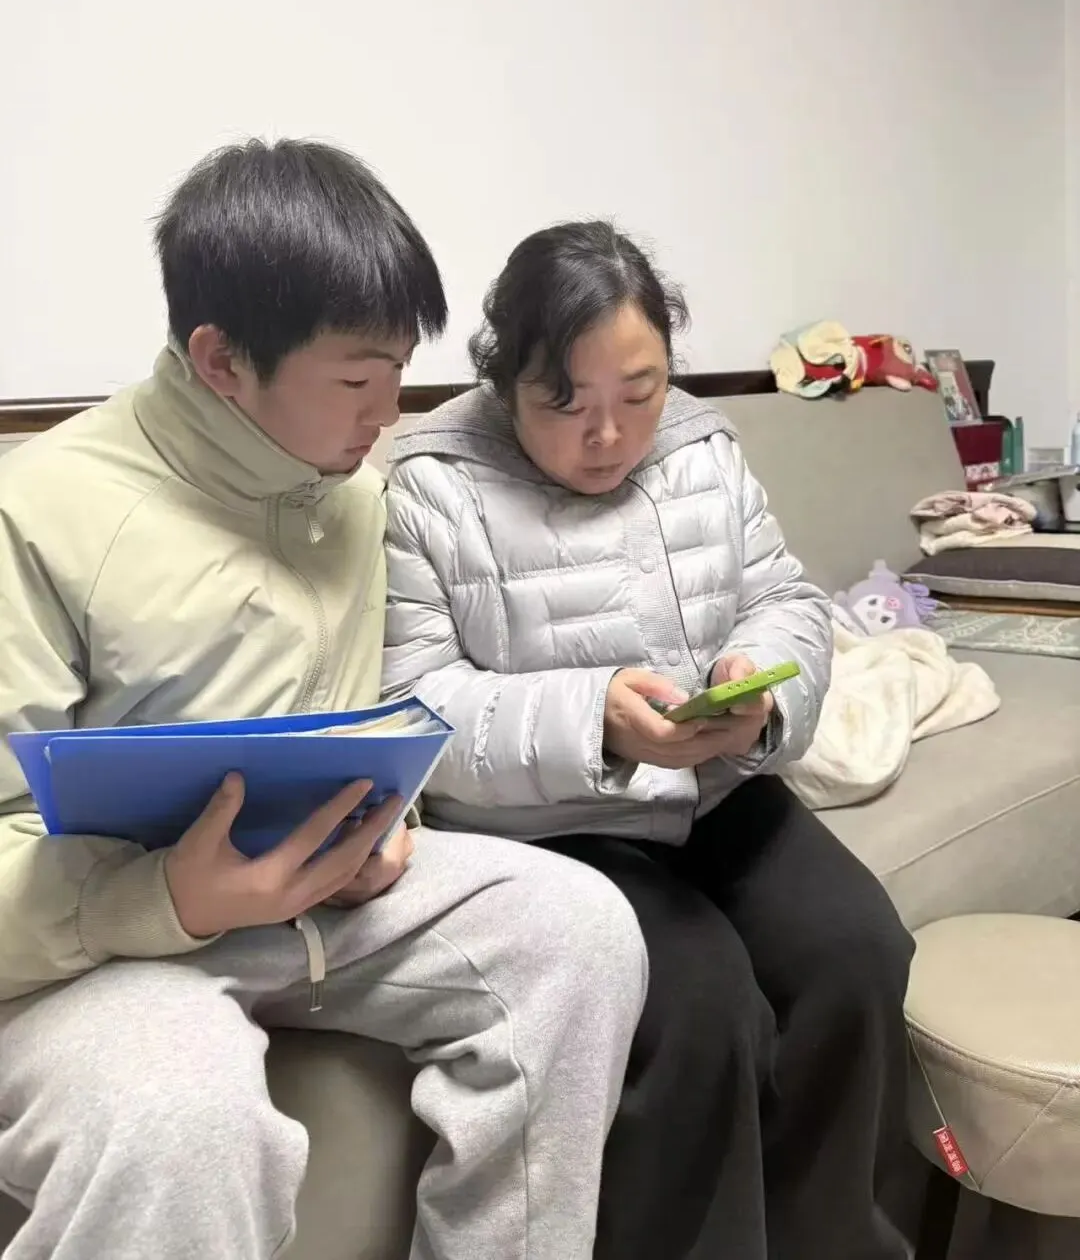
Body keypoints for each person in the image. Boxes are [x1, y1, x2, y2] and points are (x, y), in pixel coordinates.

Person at [0, 148, 648, 1260]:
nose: (387, 414)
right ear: (221, 360)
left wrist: (384, 823)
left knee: (580, 930)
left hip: (313, 903)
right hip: (94, 950)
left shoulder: (351, 498)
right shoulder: (38, 513)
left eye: (398, 373)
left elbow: (359, 727)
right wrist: (167, 897)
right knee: (175, 1112)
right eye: (357, 383)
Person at [381, 220, 916, 1260]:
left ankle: (833, 1240)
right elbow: (415, 706)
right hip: (553, 827)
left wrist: (760, 690)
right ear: (504, 379)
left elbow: (785, 599)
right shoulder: (430, 480)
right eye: (564, 402)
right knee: (699, 1013)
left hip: (716, 790)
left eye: (641, 391)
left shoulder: (703, 447)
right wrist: (596, 718)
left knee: (859, 955)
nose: (610, 434)